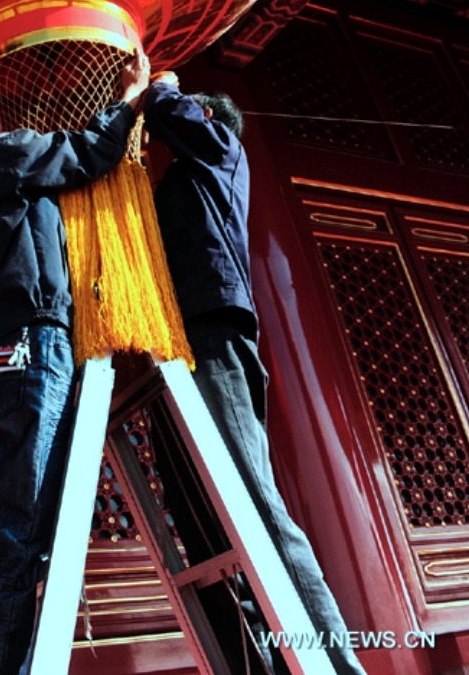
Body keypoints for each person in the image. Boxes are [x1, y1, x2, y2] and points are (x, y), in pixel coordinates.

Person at [0, 49, 151, 675]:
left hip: (7, 352)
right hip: (31, 344)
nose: (3, 114)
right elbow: (83, 154)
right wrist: (132, 98)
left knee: (6, 529)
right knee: (13, 532)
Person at [143, 75, 366, 675]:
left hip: (213, 332)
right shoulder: (177, 184)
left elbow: (177, 114)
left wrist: (159, 87)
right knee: (204, 522)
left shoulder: (222, 153)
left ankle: (338, 665)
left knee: (255, 504)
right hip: (168, 342)